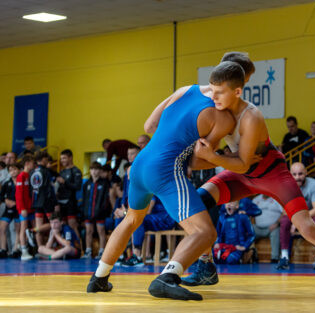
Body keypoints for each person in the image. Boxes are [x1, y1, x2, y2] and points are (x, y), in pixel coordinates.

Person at [184, 52, 315, 298]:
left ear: (238, 88)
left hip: (271, 172)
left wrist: (214, 157)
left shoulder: (251, 116)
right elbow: (207, 160)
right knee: (198, 202)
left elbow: (240, 163)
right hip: (241, 172)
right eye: (215, 88)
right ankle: (206, 266)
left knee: (306, 227)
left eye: (221, 89)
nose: (214, 94)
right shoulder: (215, 107)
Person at [86, 62, 239, 301]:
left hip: (139, 164)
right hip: (165, 170)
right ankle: (168, 277)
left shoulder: (186, 89)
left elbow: (148, 127)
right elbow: (200, 159)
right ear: (238, 89)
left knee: (131, 219)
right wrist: (229, 160)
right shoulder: (224, 118)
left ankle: (99, 278)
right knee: (205, 232)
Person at [277, 162, 315, 270]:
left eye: (300, 174)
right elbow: (285, 210)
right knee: (284, 221)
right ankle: (284, 256)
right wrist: (296, 221)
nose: (297, 177)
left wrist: (299, 221)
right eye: (294, 174)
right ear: (290, 174)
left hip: (310, 214)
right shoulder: (285, 186)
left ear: (306, 173)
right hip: (293, 215)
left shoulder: (314, 185)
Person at [122, 196, 175, 267]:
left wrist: (125, 213)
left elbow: (148, 210)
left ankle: (137, 256)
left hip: (165, 218)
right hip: (160, 217)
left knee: (138, 219)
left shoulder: (152, 187)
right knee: (136, 219)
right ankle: (133, 254)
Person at [81, 162, 110, 259]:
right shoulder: (87, 184)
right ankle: (88, 251)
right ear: (90, 170)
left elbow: (106, 199)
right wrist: (84, 211)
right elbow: (84, 199)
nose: (94, 171)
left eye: (96, 169)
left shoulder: (104, 183)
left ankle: (102, 252)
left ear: (100, 171)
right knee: (88, 231)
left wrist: (103, 210)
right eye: (92, 169)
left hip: (100, 213)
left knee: (101, 231)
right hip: (88, 212)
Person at [56, 149, 82, 243]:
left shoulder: (76, 171)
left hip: (70, 202)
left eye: (64, 158)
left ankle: (79, 247)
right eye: (61, 158)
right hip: (61, 202)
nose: (62, 160)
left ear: (70, 158)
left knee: (72, 225)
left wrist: (65, 182)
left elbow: (77, 186)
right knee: (62, 225)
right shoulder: (61, 172)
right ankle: (66, 246)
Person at [30, 151, 56, 246]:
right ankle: (32, 230)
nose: (47, 161)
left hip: (36, 201)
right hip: (46, 201)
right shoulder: (46, 171)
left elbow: (31, 188)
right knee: (55, 224)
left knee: (39, 225)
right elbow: (49, 188)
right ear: (42, 159)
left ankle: (40, 249)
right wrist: (55, 202)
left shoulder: (32, 171)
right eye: (46, 159)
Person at [252, 194, 283, 263]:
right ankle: (252, 256)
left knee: (276, 232)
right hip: (258, 228)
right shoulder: (255, 200)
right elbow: (251, 214)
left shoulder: (277, 199)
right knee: (249, 230)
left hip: (273, 227)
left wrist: (277, 224)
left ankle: (275, 258)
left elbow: (283, 212)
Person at [15, 156, 35, 261]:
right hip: (24, 209)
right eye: (32, 163)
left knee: (34, 228)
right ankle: (23, 251)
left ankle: (32, 248)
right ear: (27, 163)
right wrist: (22, 208)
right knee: (23, 228)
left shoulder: (30, 175)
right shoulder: (21, 176)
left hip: (31, 208)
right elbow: (19, 194)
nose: (34, 165)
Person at [0, 164, 21, 258]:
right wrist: (5, 200)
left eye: (15, 169)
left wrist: (17, 203)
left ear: (19, 170)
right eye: (10, 170)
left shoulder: (23, 182)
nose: (13, 171)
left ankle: (15, 250)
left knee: (18, 230)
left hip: (19, 209)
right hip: (8, 209)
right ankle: (3, 250)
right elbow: (1, 196)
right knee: (2, 228)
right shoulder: (6, 183)